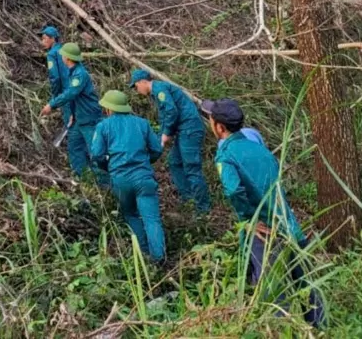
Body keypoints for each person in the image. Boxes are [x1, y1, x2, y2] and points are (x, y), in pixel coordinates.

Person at [202, 98, 325, 328]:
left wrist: (250, 218)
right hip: (290, 227)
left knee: (274, 294)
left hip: (266, 234)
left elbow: (232, 189)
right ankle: (322, 329)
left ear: (219, 127)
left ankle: (279, 331)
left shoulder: (226, 155)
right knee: (306, 285)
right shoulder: (259, 148)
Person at [90, 89, 166, 262]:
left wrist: (108, 167)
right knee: (152, 219)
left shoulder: (103, 126)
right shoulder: (142, 123)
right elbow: (156, 150)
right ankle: (159, 259)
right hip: (143, 178)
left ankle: (144, 254)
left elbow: (96, 155)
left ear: (109, 109)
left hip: (120, 179)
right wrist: (146, 163)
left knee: (131, 214)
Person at [131, 68, 210, 213]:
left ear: (143, 82)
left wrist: (166, 133)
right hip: (183, 130)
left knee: (192, 168)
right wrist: (161, 136)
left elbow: (171, 110)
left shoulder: (159, 89)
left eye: (136, 86)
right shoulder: (157, 92)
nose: (137, 90)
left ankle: (202, 208)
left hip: (190, 129)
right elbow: (166, 116)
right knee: (174, 162)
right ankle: (188, 199)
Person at [40, 43, 106, 185]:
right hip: (78, 118)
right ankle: (82, 179)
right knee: (74, 147)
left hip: (89, 118)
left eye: (63, 55)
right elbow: (75, 97)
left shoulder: (80, 74)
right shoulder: (72, 72)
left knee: (95, 151)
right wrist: (72, 113)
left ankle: (104, 184)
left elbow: (71, 93)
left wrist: (51, 105)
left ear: (67, 58)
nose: (61, 56)